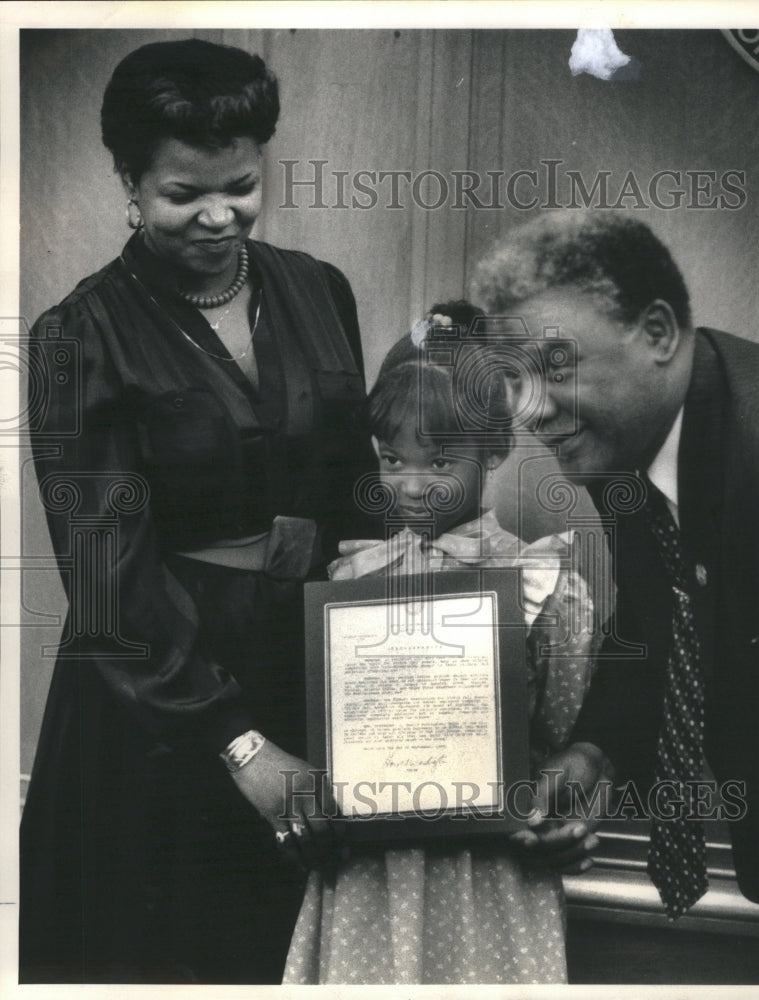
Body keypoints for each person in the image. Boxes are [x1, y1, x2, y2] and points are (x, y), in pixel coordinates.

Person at [20, 38, 374, 984]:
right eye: (184, 194)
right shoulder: (70, 337)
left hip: (301, 669)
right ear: (128, 179)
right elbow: (108, 577)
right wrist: (237, 742)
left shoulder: (319, 289)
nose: (220, 216)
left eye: (243, 186)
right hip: (156, 705)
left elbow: (358, 495)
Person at [282, 302, 603, 985]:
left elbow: (558, 730)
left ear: (493, 449)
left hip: (489, 864)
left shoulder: (541, 584)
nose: (412, 486)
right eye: (393, 461)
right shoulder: (352, 579)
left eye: (439, 462)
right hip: (372, 869)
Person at [470, 211, 759, 917]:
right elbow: (659, 622)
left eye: (556, 368)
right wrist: (595, 754)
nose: (529, 413)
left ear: (658, 333)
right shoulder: (623, 449)